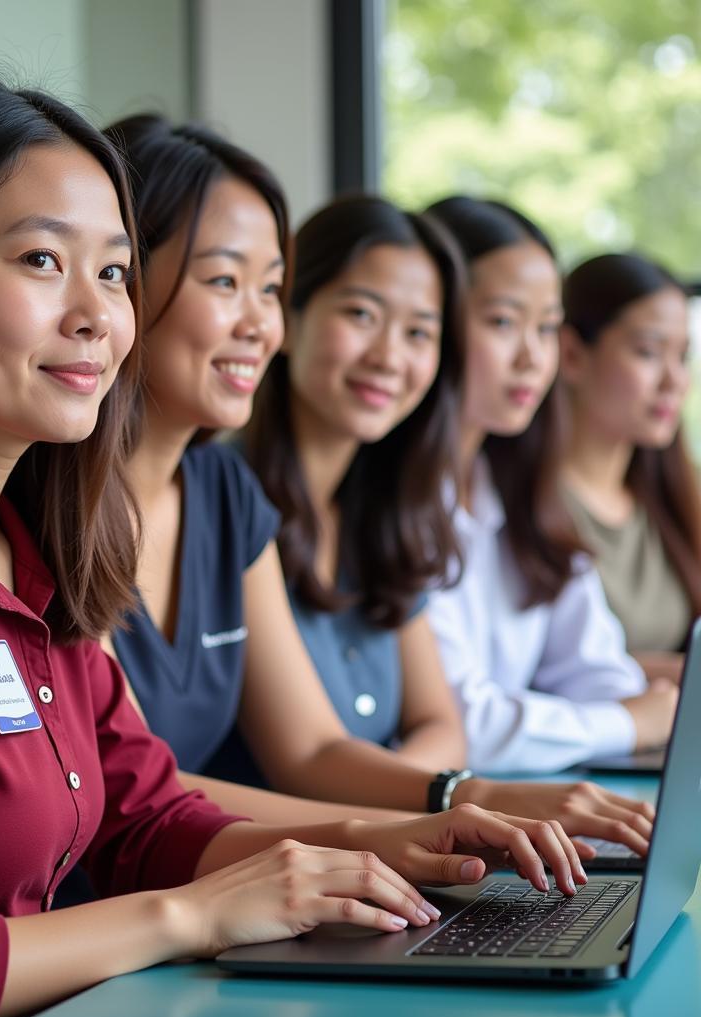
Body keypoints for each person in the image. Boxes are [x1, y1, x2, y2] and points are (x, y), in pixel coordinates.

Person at [0, 77, 590, 1017]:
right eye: (41, 260)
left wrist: (396, 842)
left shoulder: (24, 547)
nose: (96, 316)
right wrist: (186, 916)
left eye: (114, 273)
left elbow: (139, 811)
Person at [102, 114, 656, 847]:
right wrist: (421, 822)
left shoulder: (223, 496)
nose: (255, 322)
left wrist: (468, 801)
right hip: (157, 900)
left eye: (267, 288)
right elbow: (139, 792)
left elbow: (314, 749)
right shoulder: (62, 498)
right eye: (225, 281)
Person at [423, 197, 679, 775]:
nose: (533, 357)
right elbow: (465, 724)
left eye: (545, 328)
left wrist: (651, 710)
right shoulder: (403, 501)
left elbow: (593, 665)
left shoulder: (514, 488)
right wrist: (628, 719)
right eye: (502, 323)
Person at [242, 193, 466, 771]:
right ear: (287, 320)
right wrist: (438, 805)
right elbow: (307, 765)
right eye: (362, 315)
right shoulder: (228, 499)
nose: (390, 357)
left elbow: (441, 724)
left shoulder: (382, 509)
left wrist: (420, 811)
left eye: (419, 333)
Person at [559, 253, 701, 683]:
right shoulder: (526, 506)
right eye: (648, 353)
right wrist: (682, 675)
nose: (674, 381)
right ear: (571, 354)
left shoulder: (674, 496)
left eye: (683, 357)